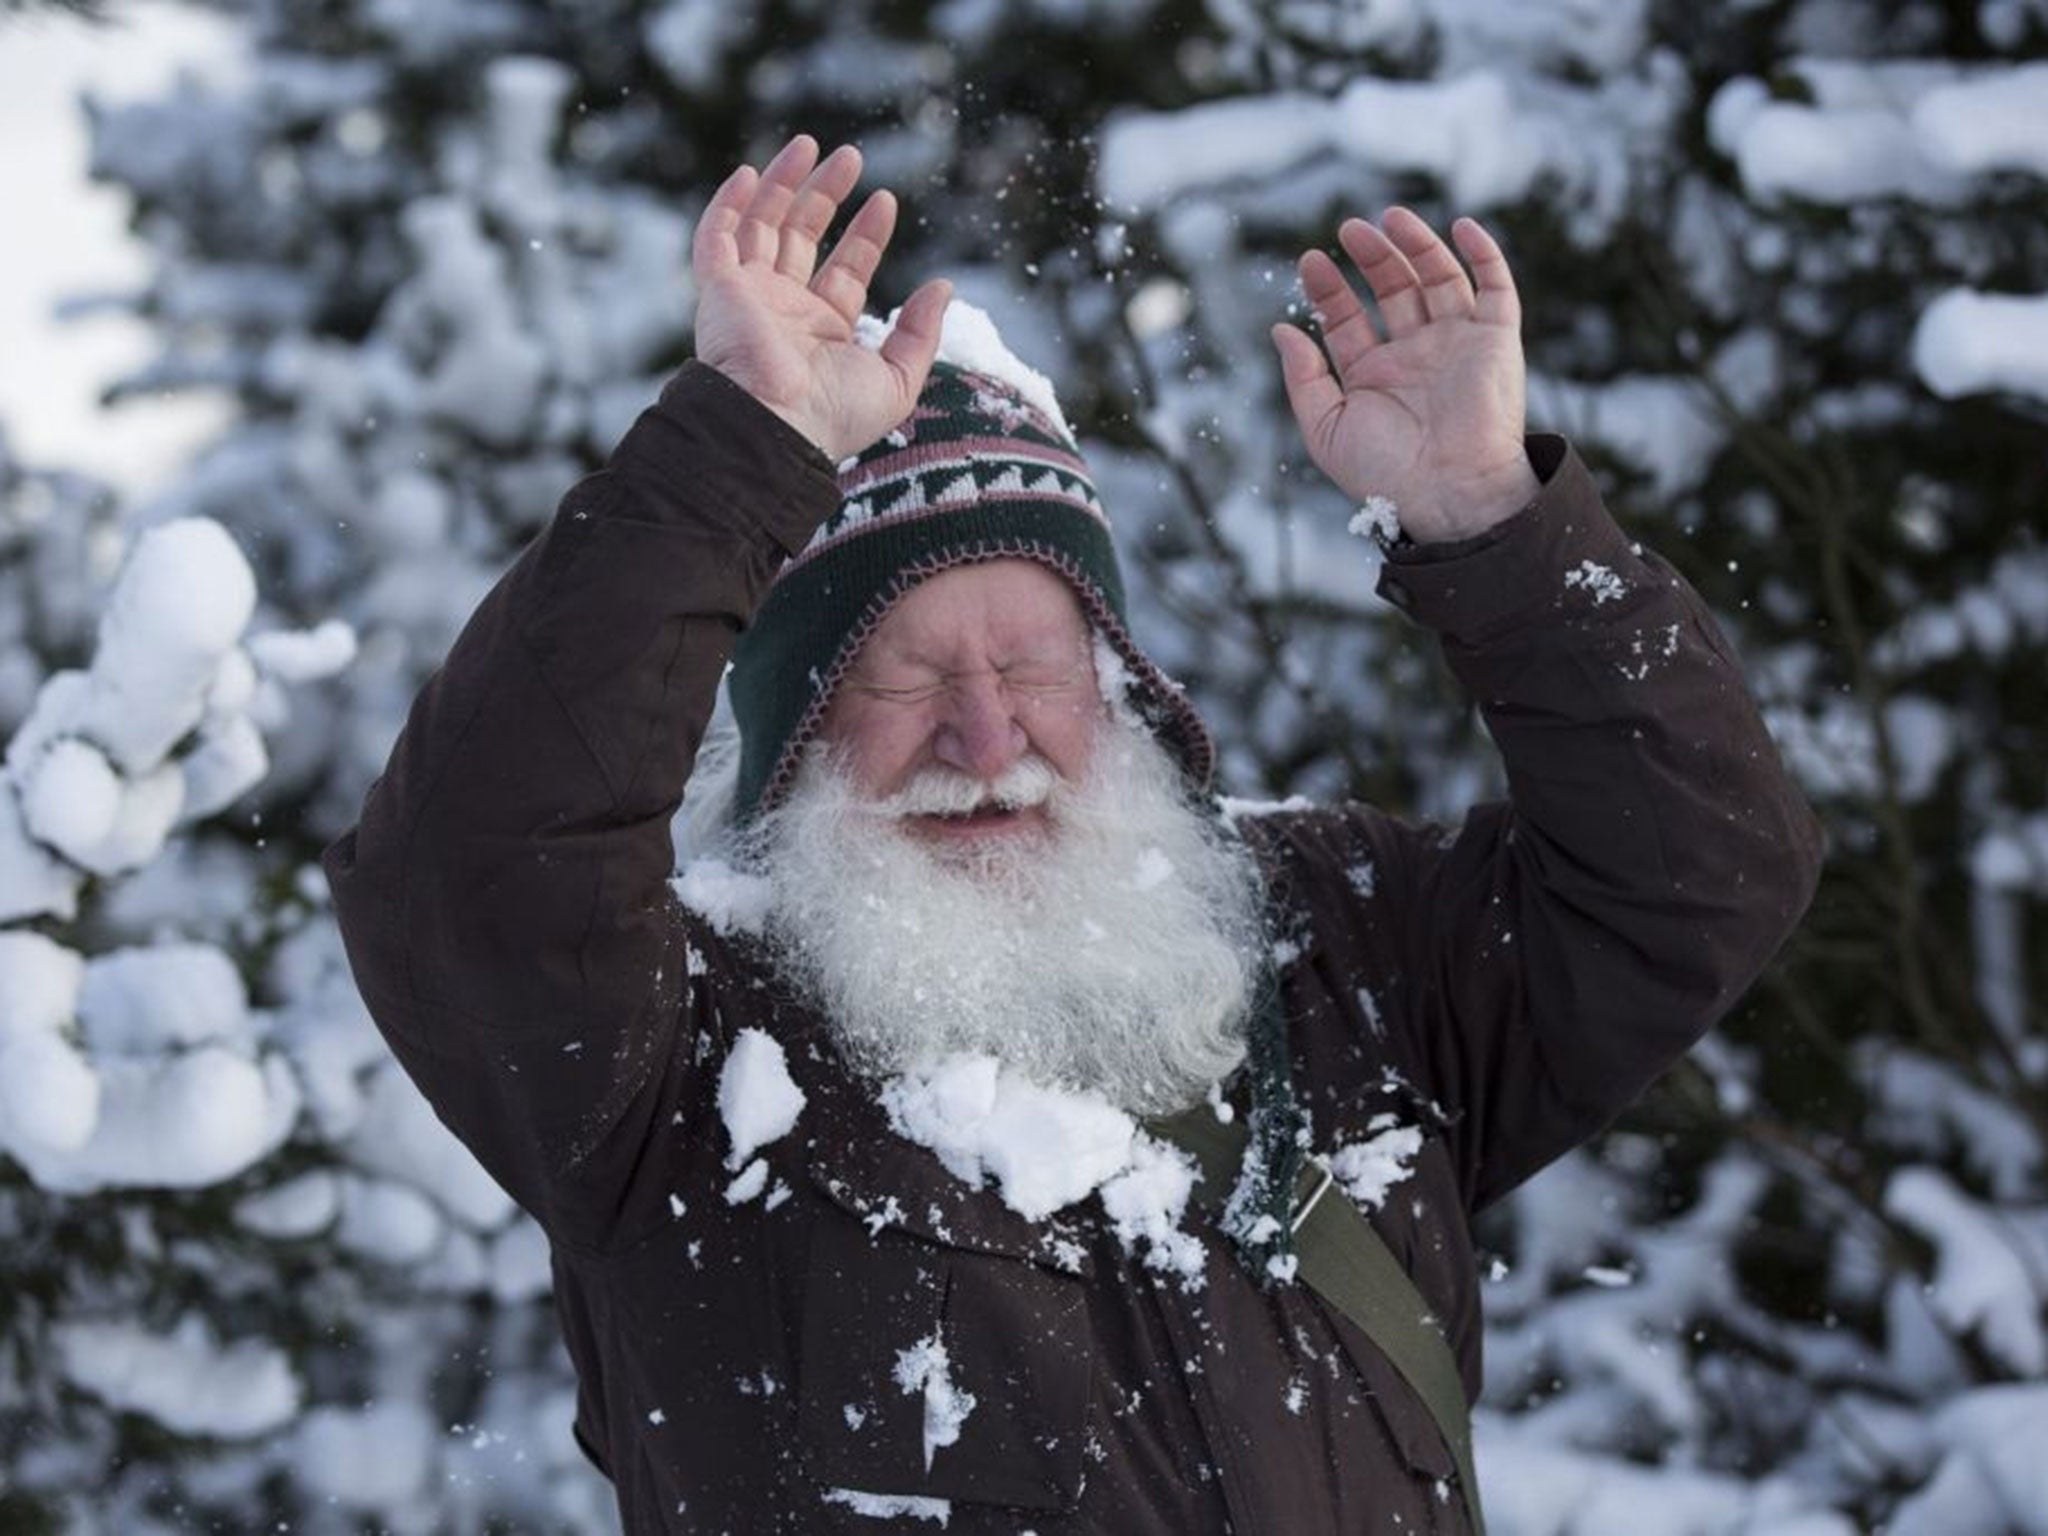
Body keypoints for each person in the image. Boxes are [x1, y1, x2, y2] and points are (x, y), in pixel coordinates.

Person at [324, 133, 1822, 1534]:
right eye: (902, 677)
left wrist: (1494, 520)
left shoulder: (1341, 943)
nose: (988, 742)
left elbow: (1698, 870)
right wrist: (737, 453)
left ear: (1117, 686)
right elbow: (462, 870)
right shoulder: (677, 1066)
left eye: (1035, 669)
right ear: (792, 739)